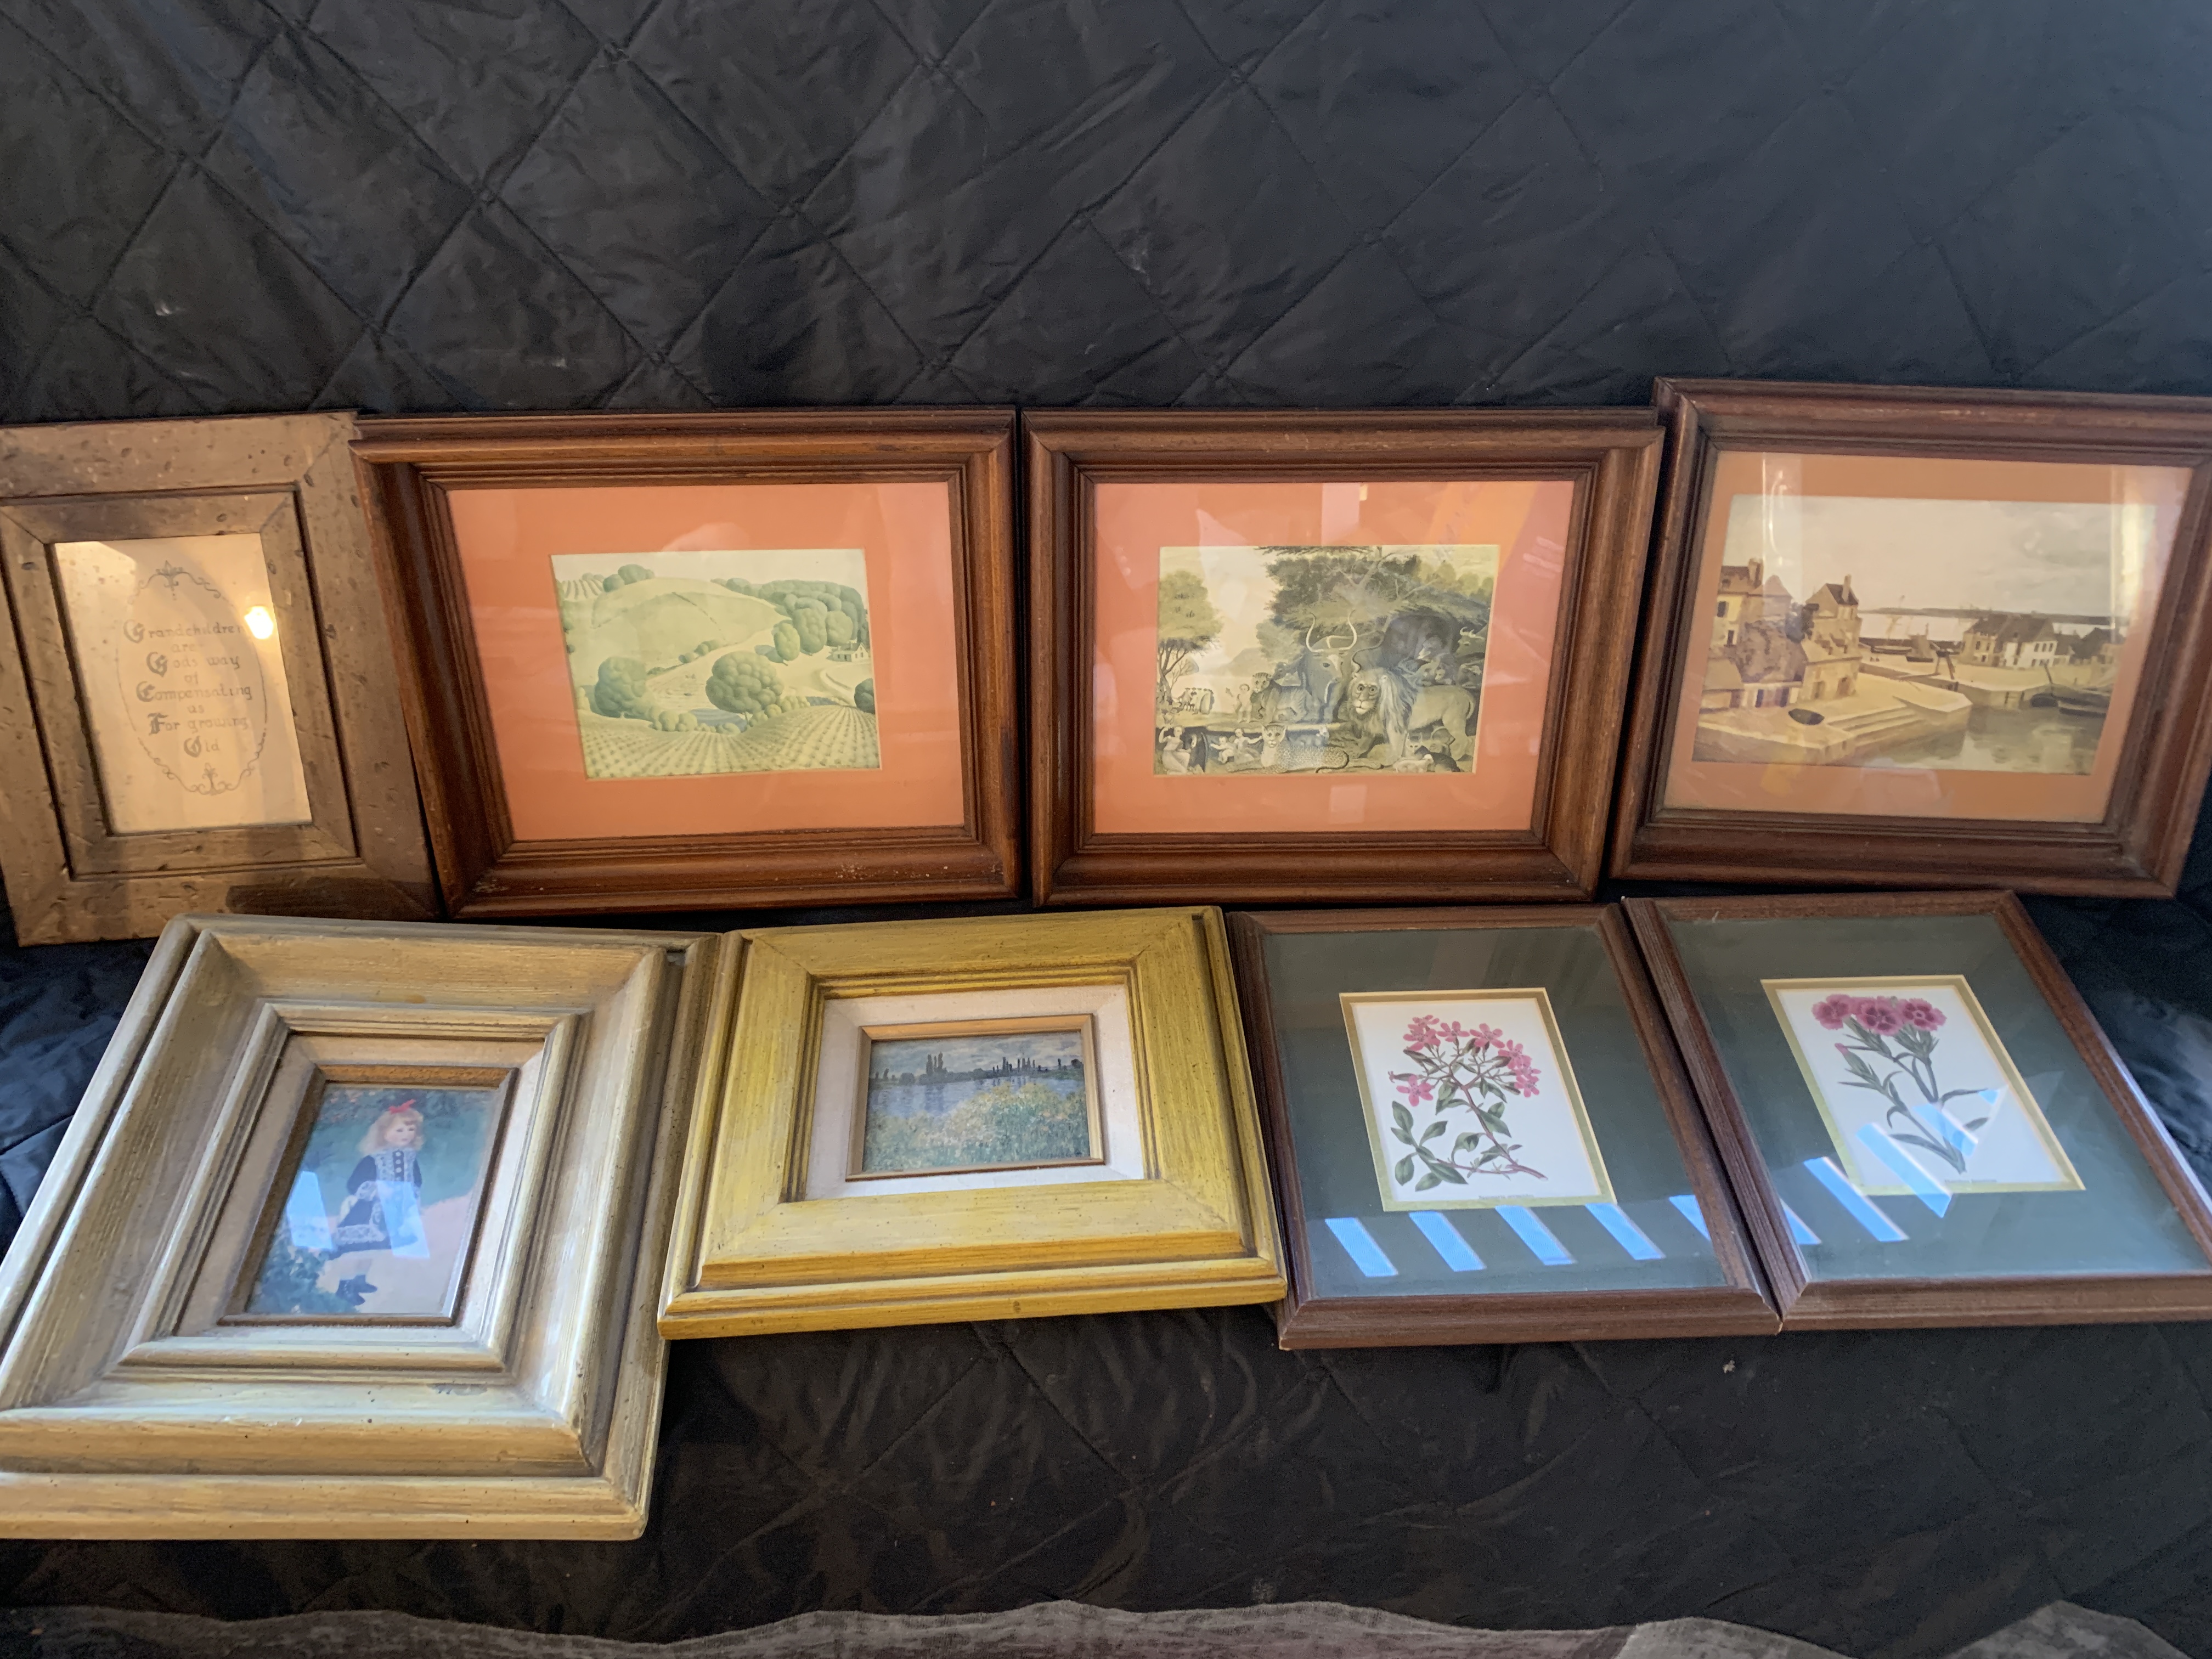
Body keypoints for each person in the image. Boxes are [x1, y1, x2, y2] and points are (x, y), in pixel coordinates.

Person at [332, 1100, 428, 1257]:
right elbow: (354, 1184)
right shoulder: (374, 1159)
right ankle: (348, 1267)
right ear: (384, 1133)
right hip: (371, 1207)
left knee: (386, 1241)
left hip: (398, 1206)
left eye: (411, 1130)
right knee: (361, 1241)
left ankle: (389, 1245)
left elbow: (417, 1180)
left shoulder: (410, 1158)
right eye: (400, 1130)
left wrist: (410, 1192)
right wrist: (376, 1191)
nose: (406, 1134)